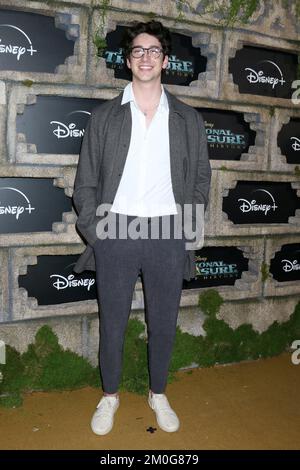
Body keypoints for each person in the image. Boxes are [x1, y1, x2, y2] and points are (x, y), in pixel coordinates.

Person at [73, 20, 211, 435]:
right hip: (115, 231)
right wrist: (97, 232)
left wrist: (188, 225)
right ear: (127, 60)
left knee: (164, 321)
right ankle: (110, 395)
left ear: (165, 61)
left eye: (154, 51)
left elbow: (202, 178)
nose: (146, 57)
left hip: (168, 232)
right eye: (138, 50)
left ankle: (158, 392)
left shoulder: (188, 118)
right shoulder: (104, 117)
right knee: (112, 319)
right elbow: (86, 183)